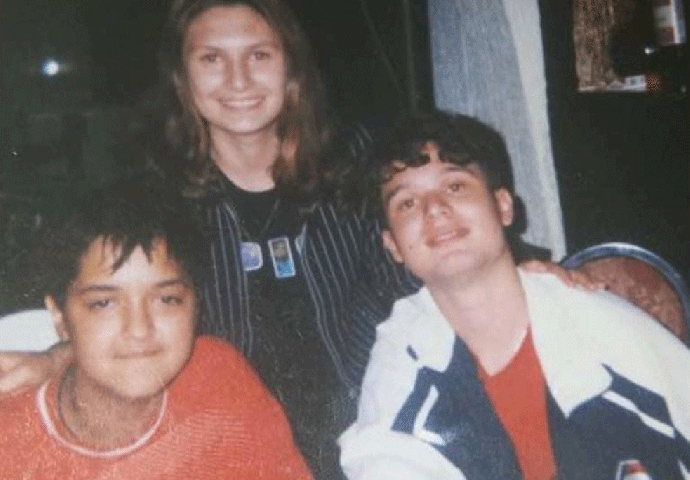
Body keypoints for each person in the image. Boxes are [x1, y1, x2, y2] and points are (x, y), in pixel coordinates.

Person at [0, 1, 590, 477]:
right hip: (236, 448)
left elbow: (455, 240)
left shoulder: (360, 162)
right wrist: (59, 355)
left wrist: (592, 264)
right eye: (212, 58)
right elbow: (108, 298)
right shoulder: (156, 194)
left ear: (293, 68)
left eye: (259, 54)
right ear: (182, 77)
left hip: (391, 429)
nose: (238, 80)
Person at [338, 111, 690, 480]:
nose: (434, 209)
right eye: (407, 203)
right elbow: (381, 459)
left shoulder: (599, 327)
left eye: (455, 186)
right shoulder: (400, 361)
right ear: (393, 246)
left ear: (503, 206)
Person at [0, 180, 313, 479]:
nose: (140, 329)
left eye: (167, 299)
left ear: (196, 305)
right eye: (104, 303)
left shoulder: (220, 377)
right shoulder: (12, 442)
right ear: (59, 317)